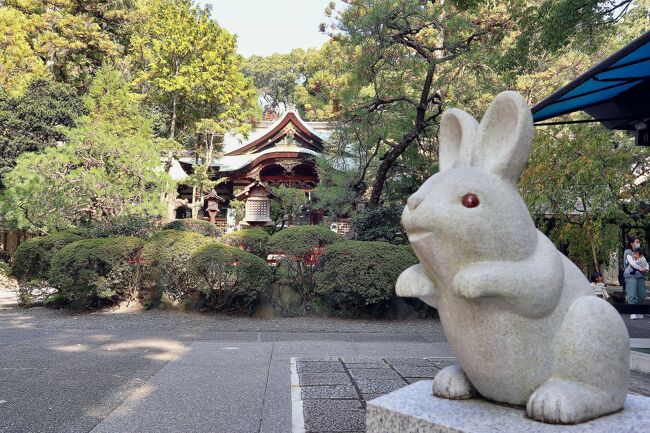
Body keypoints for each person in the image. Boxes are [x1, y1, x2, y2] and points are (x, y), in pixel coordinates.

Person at [624, 237, 649, 320]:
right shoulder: (627, 252)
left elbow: (645, 262)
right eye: (636, 242)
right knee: (631, 294)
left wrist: (646, 268)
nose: (638, 243)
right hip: (631, 276)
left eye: (638, 242)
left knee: (642, 295)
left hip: (641, 276)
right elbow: (632, 263)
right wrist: (640, 268)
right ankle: (633, 312)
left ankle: (638, 310)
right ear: (631, 243)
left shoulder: (640, 252)